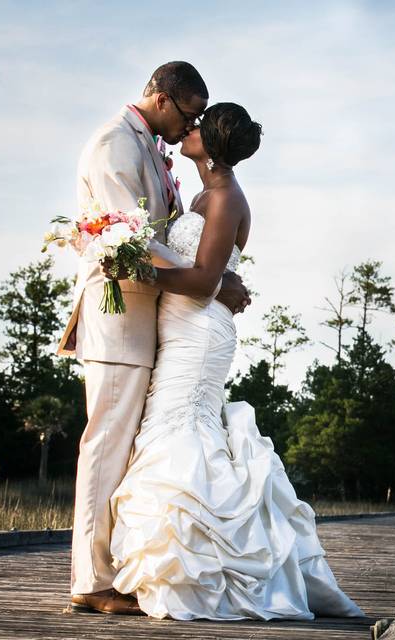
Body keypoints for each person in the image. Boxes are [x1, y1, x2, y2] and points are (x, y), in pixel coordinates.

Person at [102, 102, 366, 621]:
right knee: (174, 435)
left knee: (182, 435)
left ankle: (197, 571)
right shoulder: (204, 193)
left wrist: (131, 269)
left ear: (213, 142)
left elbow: (202, 282)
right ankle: (183, 561)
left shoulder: (224, 198)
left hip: (199, 334)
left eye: (199, 125)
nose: (189, 129)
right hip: (180, 328)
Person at [61, 61, 251, 615]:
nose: (189, 128)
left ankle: (118, 567)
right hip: (118, 322)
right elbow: (131, 237)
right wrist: (211, 282)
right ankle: (92, 580)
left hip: (155, 324)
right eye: (188, 115)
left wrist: (212, 274)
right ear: (163, 99)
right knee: (105, 447)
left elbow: (161, 235)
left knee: (128, 451)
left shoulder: (152, 149)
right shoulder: (114, 144)